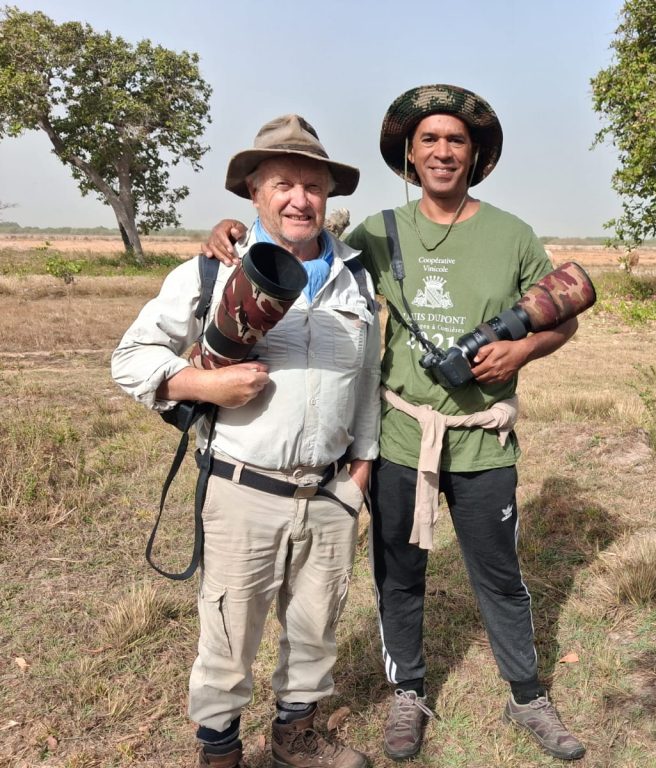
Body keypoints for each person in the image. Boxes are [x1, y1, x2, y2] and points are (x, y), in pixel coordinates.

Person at [204, 85, 586, 762]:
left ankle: (527, 694)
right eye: (430, 140)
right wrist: (231, 233)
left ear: (476, 155)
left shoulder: (512, 234)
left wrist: (522, 348)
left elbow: (565, 316)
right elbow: (305, 254)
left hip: (482, 443)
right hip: (403, 438)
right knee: (399, 571)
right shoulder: (378, 232)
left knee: (498, 574)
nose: (444, 152)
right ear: (410, 154)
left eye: (457, 141)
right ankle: (408, 691)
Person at [112, 114, 380, 768]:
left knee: (316, 631)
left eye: (313, 186)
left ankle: (296, 740)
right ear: (253, 193)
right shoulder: (211, 274)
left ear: (328, 196)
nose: (300, 199)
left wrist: (361, 468)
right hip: (242, 489)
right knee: (229, 639)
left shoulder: (356, 275)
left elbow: (369, 376)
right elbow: (130, 359)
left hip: (330, 493)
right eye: (283, 184)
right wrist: (206, 387)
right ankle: (221, 753)